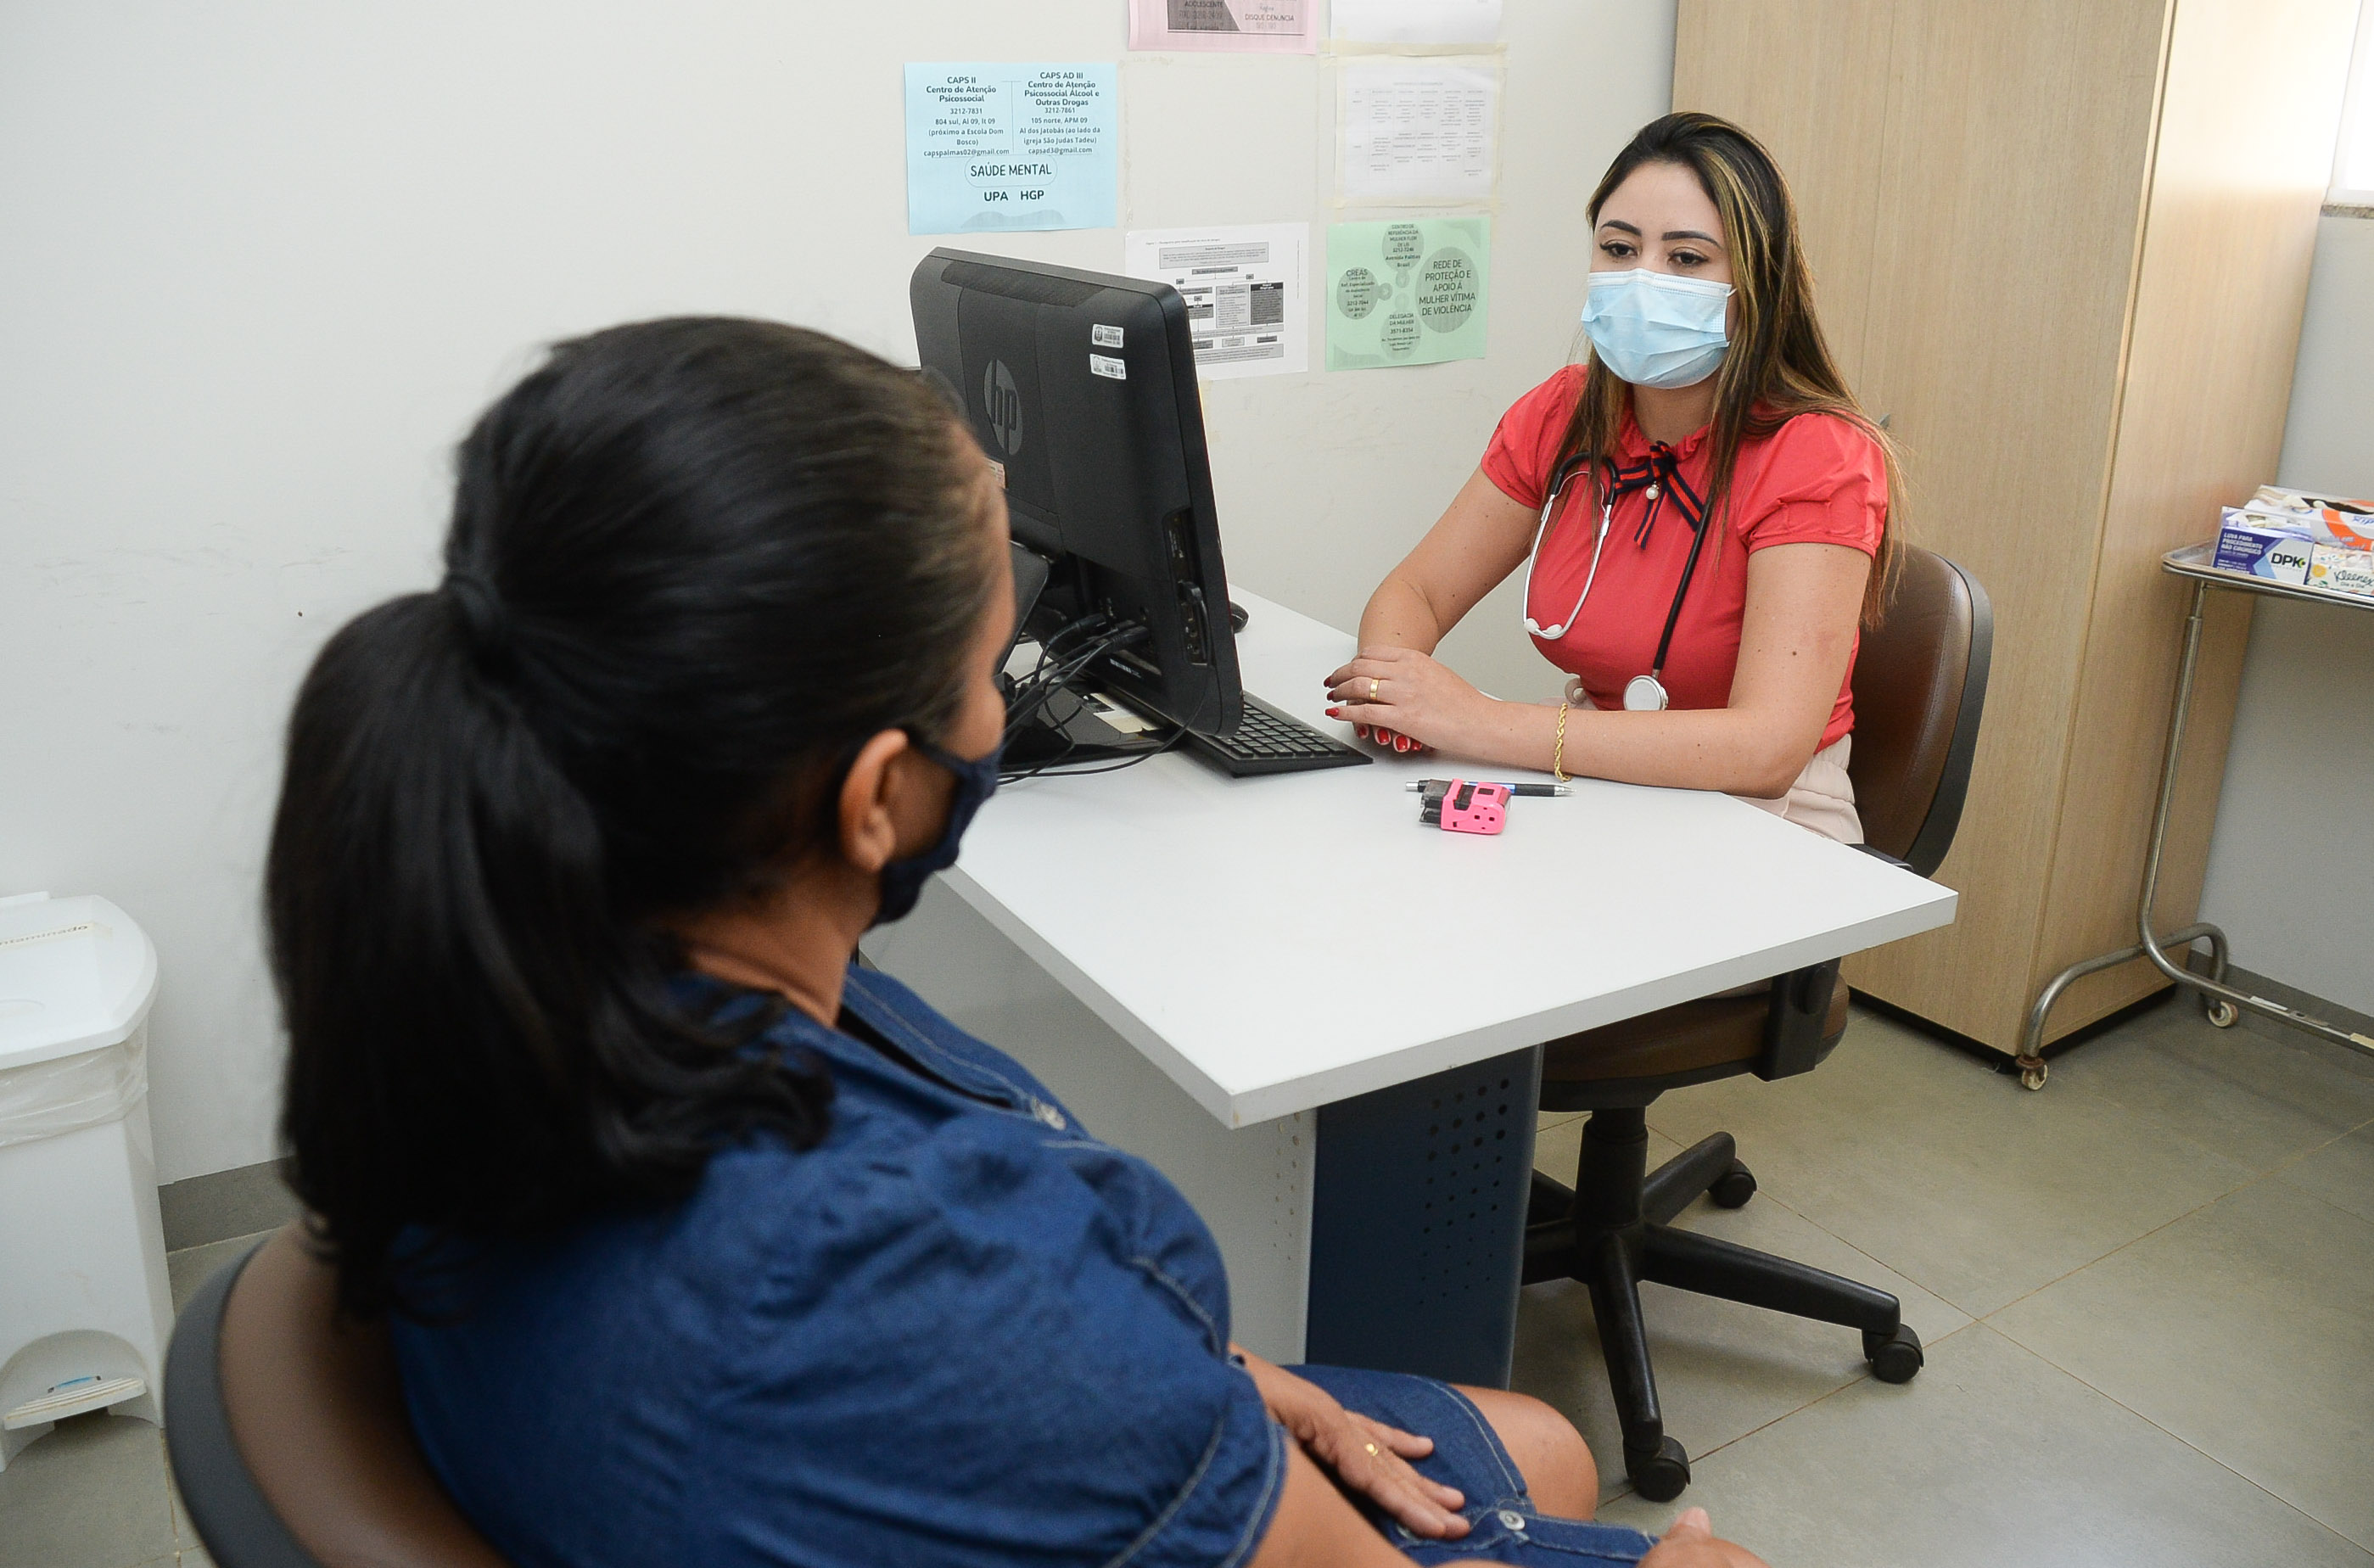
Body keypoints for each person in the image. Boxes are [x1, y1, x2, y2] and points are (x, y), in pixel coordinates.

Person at [266, 318, 1767, 1567]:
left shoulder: (487, 1000)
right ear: (875, 796)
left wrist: (1215, 1382)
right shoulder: (945, 1285)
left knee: (1544, 1442)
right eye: (991, 672)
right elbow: (1020, 1355)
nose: (1002, 713)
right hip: (999, 1420)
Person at [1324, 112, 1901, 845]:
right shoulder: (1564, 412)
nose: (1642, 279)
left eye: (1686, 258)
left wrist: (1477, 721)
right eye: (1619, 249)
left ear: (1757, 282)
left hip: (1767, 818)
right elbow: (1418, 592)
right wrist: (1393, 695)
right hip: (1596, 780)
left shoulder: (1820, 454)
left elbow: (1766, 751)